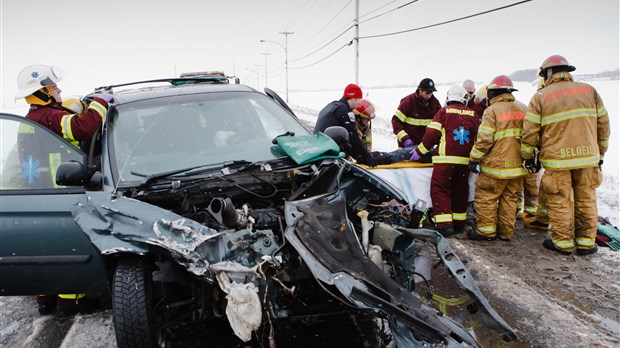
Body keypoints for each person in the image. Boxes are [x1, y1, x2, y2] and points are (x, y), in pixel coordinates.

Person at [15, 64, 113, 315]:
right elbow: (83, 127)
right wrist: (100, 103)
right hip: (63, 188)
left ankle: (45, 299)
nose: (58, 89)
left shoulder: (29, 120)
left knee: (44, 248)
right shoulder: (49, 117)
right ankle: (73, 301)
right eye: (53, 87)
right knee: (70, 245)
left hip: (39, 191)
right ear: (43, 93)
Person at [521, 55, 610, 255]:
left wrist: (527, 155)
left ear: (548, 74)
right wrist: (600, 153)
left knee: (561, 200)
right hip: (588, 158)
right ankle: (586, 242)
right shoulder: (589, 91)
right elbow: (603, 125)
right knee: (586, 199)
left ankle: (562, 242)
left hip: (557, 160)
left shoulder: (541, 96)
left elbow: (530, 131)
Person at [409, 85, 479, 236]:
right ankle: (459, 223)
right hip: (465, 161)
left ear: (448, 98)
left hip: (445, 161)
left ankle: (444, 225)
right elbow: (479, 137)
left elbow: (431, 135)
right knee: (460, 190)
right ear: (464, 99)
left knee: (440, 189)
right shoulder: (473, 115)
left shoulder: (444, 112)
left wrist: (419, 151)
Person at [468, 75, 527, 241]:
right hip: (516, 167)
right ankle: (506, 232)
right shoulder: (523, 109)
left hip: (495, 167)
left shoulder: (492, 111)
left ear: (493, 93)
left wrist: (474, 158)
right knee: (509, 199)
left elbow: (484, 140)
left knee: (486, 198)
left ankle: (486, 231)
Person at [314, 84, 377, 167]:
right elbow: (353, 136)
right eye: (359, 99)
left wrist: (358, 156)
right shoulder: (346, 111)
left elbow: (343, 141)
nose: (359, 103)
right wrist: (367, 156)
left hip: (317, 150)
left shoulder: (332, 105)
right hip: (327, 153)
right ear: (353, 98)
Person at [391, 78, 441, 148]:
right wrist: (405, 138)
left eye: (431, 93)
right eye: (427, 93)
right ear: (420, 90)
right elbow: (396, 121)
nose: (429, 96)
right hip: (407, 146)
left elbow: (440, 123)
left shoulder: (435, 103)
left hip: (425, 147)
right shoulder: (408, 102)